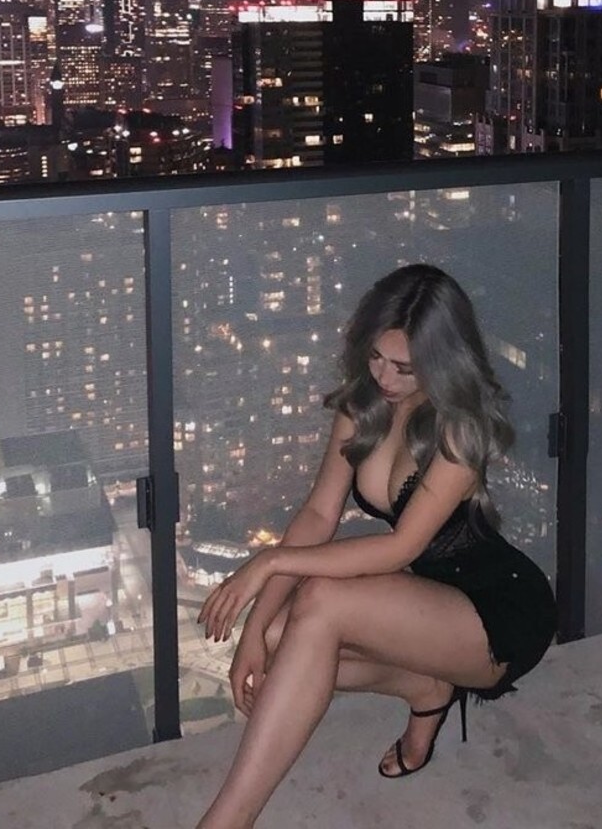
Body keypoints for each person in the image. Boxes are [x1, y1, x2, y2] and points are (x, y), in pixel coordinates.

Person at [195, 263, 557, 829]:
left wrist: (267, 563)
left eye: (404, 368)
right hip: (421, 595)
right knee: (276, 636)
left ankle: (228, 820)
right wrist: (252, 631)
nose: (385, 377)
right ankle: (426, 685)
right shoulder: (364, 405)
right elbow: (319, 515)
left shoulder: (459, 428)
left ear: (441, 362)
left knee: (322, 602)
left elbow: (399, 549)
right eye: (376, 357)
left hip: (495, 612)